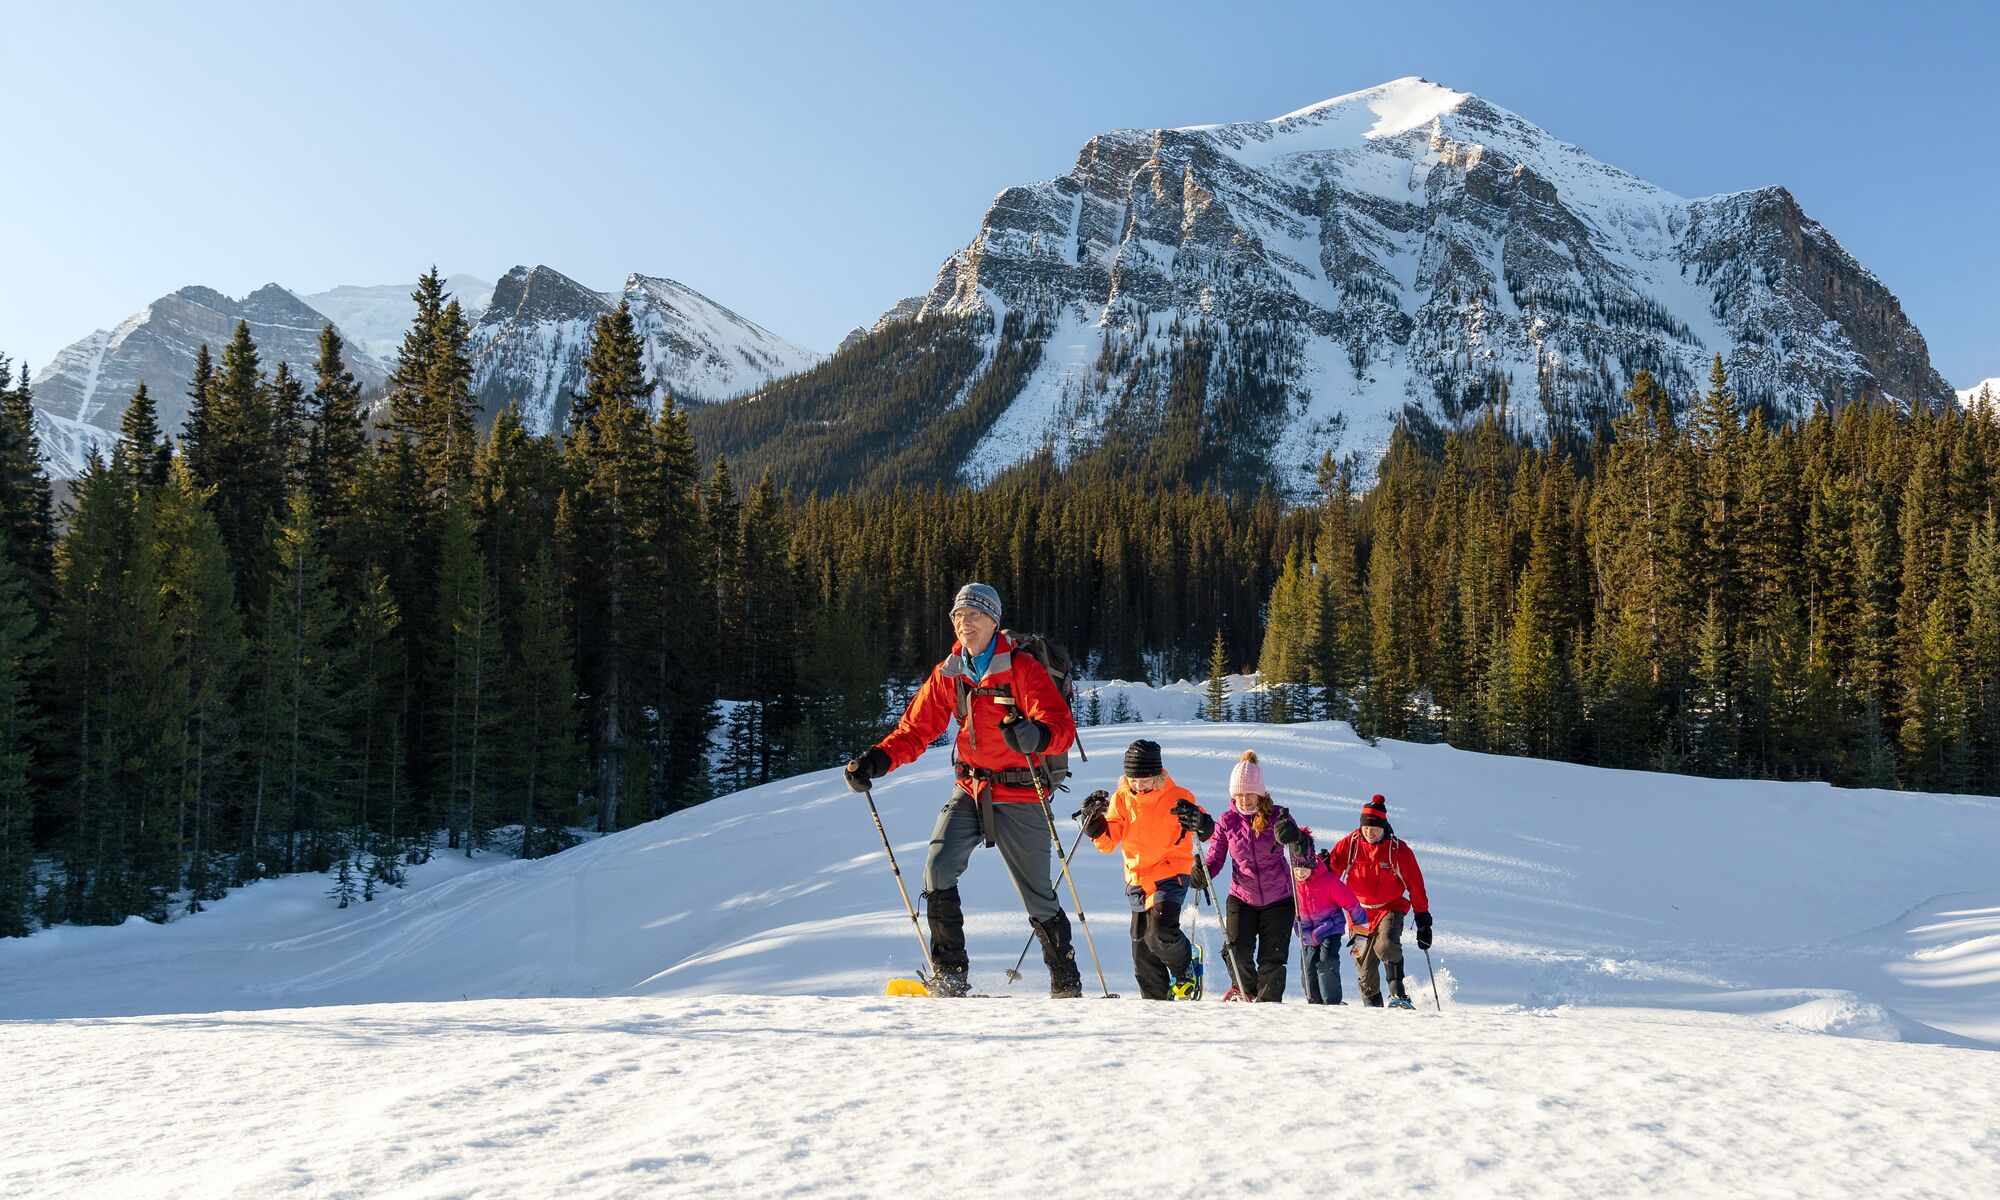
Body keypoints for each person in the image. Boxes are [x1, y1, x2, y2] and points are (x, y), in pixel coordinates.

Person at [844, 583, 1081, 998]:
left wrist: (1035, 735)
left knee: (1038, 897)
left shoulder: (1022, 668)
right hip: (971, 787)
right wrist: (877, 760)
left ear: (994, 620)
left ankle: (1065, 983)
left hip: (1022, 792)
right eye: (957, 616)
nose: (963, 623)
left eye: (973, 615)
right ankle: (951, 974)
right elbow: (916, 729)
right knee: (937, 866)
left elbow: (1061, 729)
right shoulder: (950, 671)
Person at [1080, 739, 1213, 1001]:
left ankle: (1185, 967)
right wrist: (1094, 825)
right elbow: (1109, 842)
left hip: (1171, 872)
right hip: (1137, 879)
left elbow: (1207, 830)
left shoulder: (1179, 796)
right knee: (1142, 955)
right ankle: (1155, 1004)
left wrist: (1201, 822)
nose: (1138, 785)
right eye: (1133, 780)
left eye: (1145, 780)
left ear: (1158, 775)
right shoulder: (1122, 798)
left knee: (1160, 934)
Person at [1202, 750, 1306, 1002]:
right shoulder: (1226, 821)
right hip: (1242, 897)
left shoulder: (1279, 817)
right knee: (1236, 951)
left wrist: (1296, 838)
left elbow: (1302, 853)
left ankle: (1268, 1004)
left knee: (1273, 958)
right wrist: (1202, 873)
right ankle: (1244, 991)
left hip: (1278, 898)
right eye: (1238, 794)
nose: (1244, 800)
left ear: (1260, 793)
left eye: (1249, 794)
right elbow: (1215, 859)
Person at [1326, 794, 1432, 1009]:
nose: (1370, 831)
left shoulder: (1398, 850)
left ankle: (1398, 995)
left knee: (1386, 945)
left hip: (1390, 909)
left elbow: (1416, 885)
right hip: (1359, 915)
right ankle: (1374, 1009)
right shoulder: (1350, 844)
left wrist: (1423, 917)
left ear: (1384, 827)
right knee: (1364, 970)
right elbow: (1329, 877)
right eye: (1366, 827)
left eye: (1375, 827)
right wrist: (1323, 867)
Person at [1288, 828, 1367, 1005]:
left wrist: (1361, 933)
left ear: (1312, 864)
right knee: (1308, 969)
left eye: (1305, 868)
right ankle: (1315, 1002)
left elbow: (1352, 904)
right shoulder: (1290, 884)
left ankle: (1332, 1002)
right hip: (1307, 933)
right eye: (1296, 868)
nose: (1300, 873)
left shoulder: (1328, 881)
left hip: (1330, 928)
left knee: (1326, 961)